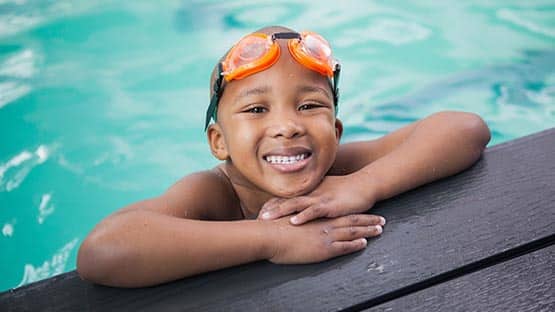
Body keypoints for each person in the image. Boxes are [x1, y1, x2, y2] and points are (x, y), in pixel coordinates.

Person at [76, 26, 491, 287]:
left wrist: (364, 185)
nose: (287, 126)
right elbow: (104, 251)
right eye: (257, 110)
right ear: (219, 142)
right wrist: (271, 239)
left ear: (335, 131)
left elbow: (465, 127)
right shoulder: (214, 194)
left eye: (309, 106)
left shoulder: (343, 170)